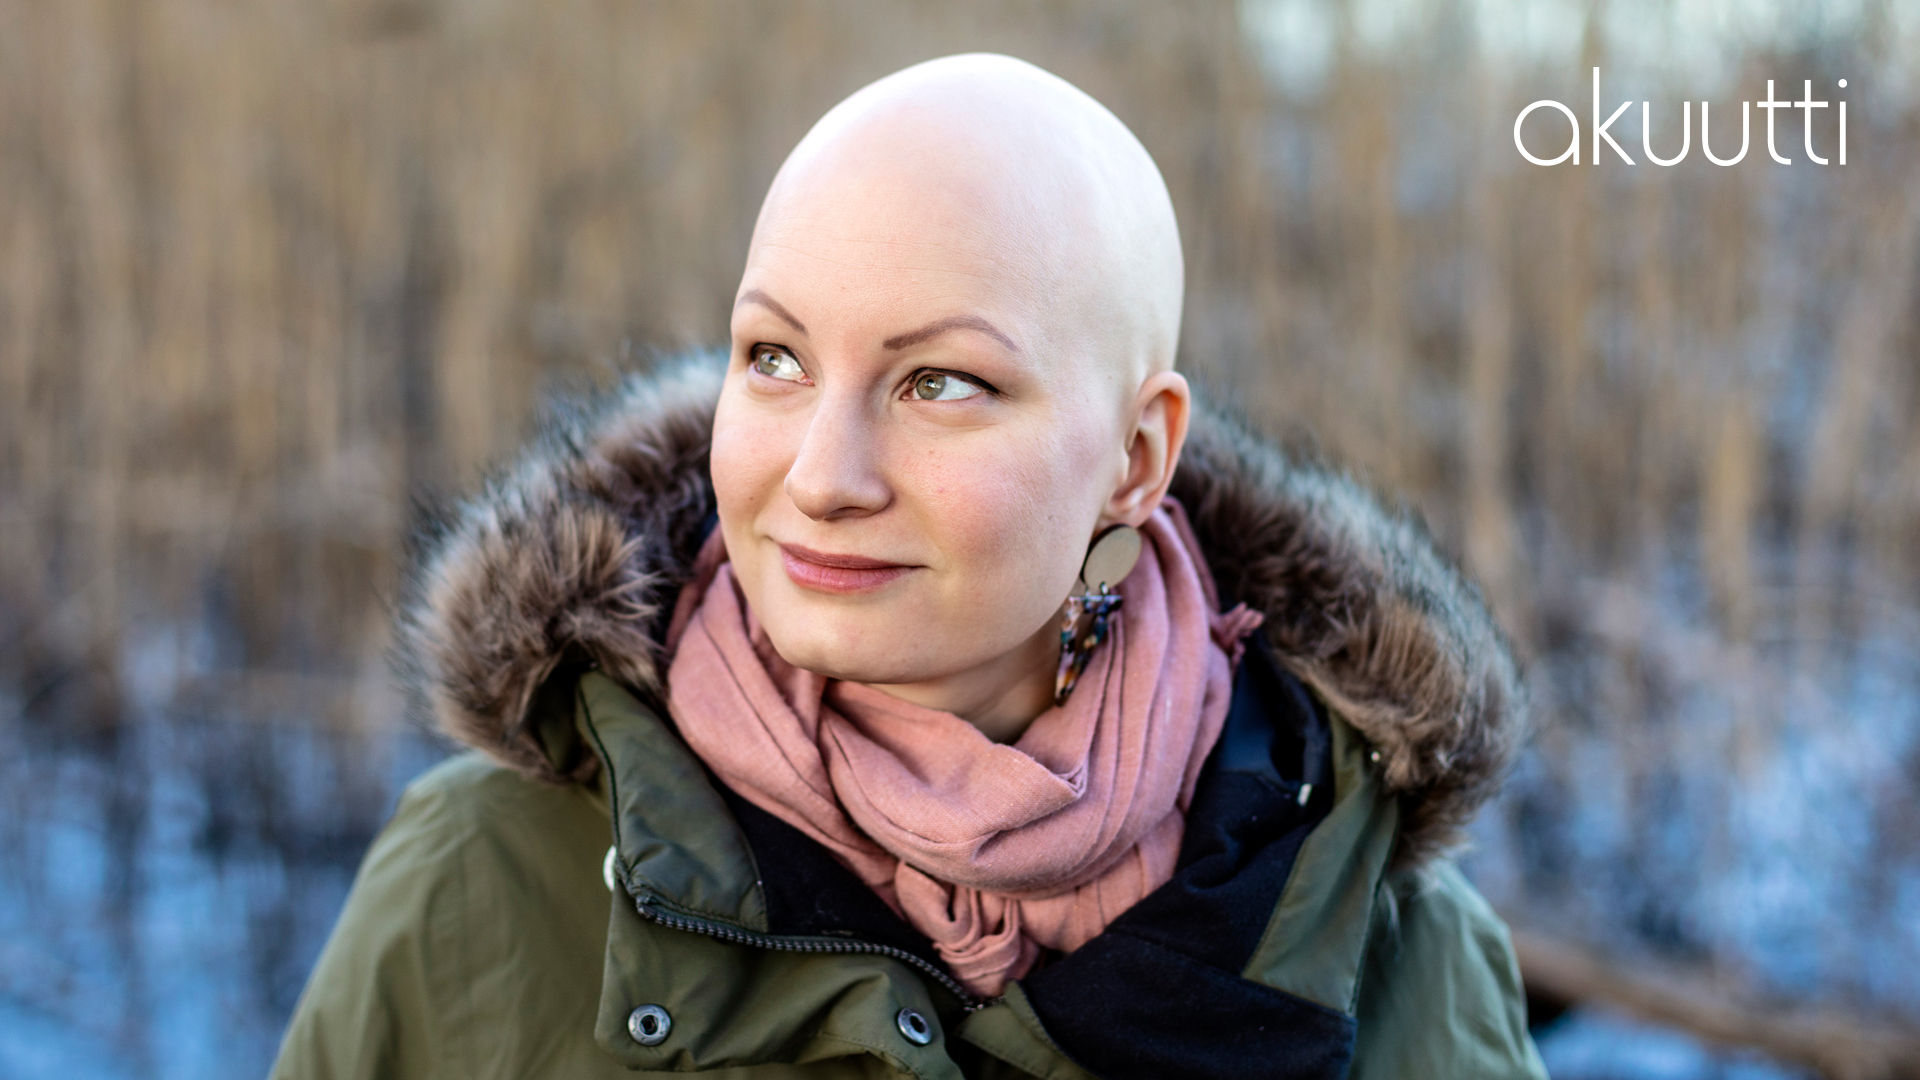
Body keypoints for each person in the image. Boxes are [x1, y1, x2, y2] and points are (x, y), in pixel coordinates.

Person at [270, 53, 1547, 1079]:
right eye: (774, 359)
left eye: (941, 381)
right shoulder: (480, 887)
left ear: (1135, 457)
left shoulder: (1403, 965)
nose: (823, 476)